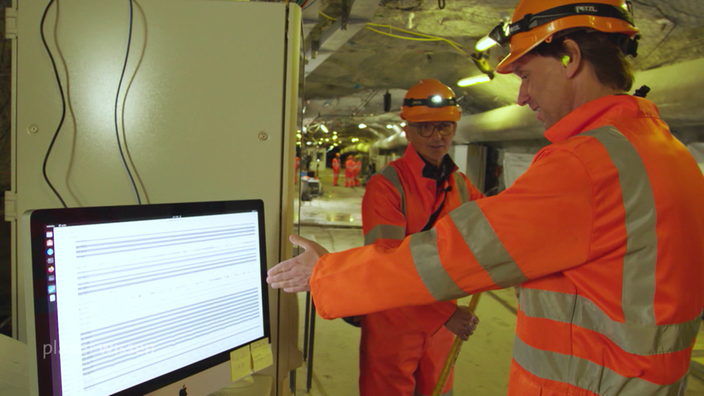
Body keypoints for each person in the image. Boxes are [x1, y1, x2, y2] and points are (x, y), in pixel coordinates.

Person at [268, 0, 704, 395]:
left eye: (527, 75)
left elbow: (460, 251)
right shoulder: (666, 153)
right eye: (427, 128)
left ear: (569, 57)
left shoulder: (587, 164)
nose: (522, 95)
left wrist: (327, 274)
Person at [354, 79, 483, 396]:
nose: (437, 137)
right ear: (407, 130)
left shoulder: (461, 186)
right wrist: (446, 314)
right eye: (425, 128)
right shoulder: (387, 187)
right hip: (393, 325)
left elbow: (496, 229)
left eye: (445, 127)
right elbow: (388, 266)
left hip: (441, 328)